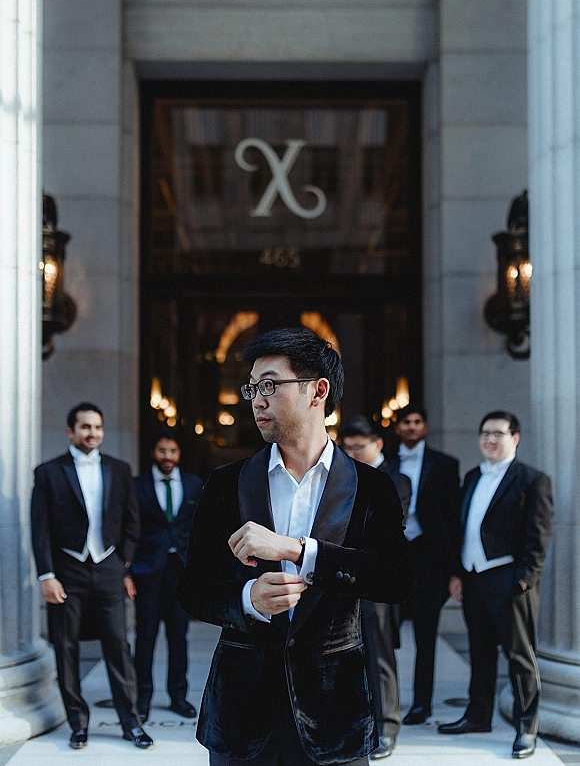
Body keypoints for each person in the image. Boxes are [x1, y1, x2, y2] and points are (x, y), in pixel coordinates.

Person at [176, 327, 413, 766]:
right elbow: (192, 589)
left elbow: (396, 579)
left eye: (269, 385)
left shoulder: (372, 487)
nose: (256, 400)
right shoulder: (226, 484)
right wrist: (247, 599)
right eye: (252, 388)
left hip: (334, 715)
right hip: (241, 716)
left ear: (317, 391)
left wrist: (299, 551)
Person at [30, 402, 153, 750]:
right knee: (66, 646)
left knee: (118, 644)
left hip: (108, 567)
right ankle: (78, 723)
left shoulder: (119, 469)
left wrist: (123, 564)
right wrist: (46, 575)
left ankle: (131, 724)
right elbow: (40, 529)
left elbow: (132, 522)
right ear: (71, 431)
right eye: (85, 427)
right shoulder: (48, 472)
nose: (93, 433)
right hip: (67, 570)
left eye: (97, 427)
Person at [438, 411, 554, 760]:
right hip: (473, 577)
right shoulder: (473, 476)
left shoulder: (532, 480)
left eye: (498, 434)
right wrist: (457, 572)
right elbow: (463, 528)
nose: (490, 439)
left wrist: (524, 579)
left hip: (509, 581)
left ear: (514, 438)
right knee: (480, 651)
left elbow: (539, 535)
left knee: (519, 657)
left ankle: (526, 727)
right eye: (485, 433)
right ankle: (477, 717)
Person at [383, 403, 460, 725]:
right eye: (406, 422)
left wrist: (454, 570)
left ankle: (422, 704)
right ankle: (386, 701)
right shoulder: (385, 462)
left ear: (425, 427)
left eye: (417, 422)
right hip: (393, 559)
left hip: (430, 559)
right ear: (398, 427)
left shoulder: (445, 465)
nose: (412, 427)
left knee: (426, 636)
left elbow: (453, 517)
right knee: (385, 636)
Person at [341, 416, 412, 761]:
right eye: (347, 447)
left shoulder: (396, 480)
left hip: (377, 581)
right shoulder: (344, 477)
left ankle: (387, 727)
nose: (353, 453)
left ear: (378, 444)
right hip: (343, 578)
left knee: (379, 654)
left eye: (359, 447)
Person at [125, 427, 203, 723]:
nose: (167, 456)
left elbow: (200, 527)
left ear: (179, 454)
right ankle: (142, 698)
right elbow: (129, 528)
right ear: (153, 453)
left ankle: (178, 696)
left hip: (181, 572)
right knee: (145, 637)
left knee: (178, 637)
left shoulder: (194, 484)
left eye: (172, 451)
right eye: (162, 451)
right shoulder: (138, 485)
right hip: (147, 571)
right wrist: (127, 571)